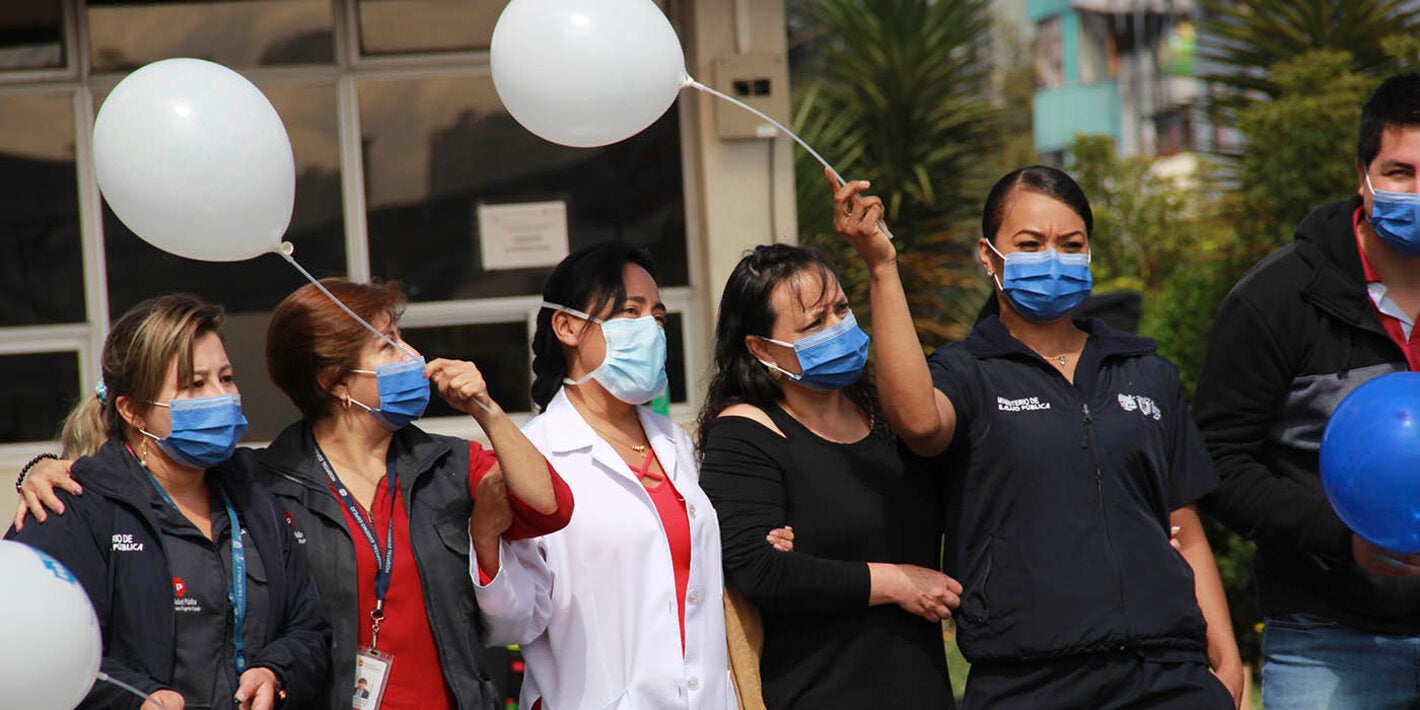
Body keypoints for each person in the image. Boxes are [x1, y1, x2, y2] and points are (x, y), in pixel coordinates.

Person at [17, 278, 574, 710]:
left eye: (227, 379)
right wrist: (41, 468)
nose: (411, 356)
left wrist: (485, 408)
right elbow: (39, 640)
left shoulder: (435, 466)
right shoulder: (267, 481)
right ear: (334, 380)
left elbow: (550, 506)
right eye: (194, 384)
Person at [832, 165, 1243, 708]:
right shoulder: (966, 372)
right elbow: (918, 422)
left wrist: (1228, 655)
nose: (1053, 258)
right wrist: (882, 267)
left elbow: (1182, 525)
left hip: (1166, 674)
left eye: (1071, 244)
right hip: (1028, 681)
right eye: (1030, 243)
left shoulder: (1145, 371)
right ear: (988, 256)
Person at [1193, 72, 1420, 708]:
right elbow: (1216, 460)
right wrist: (1341, 537)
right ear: (1363, 174)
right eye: (1399, 171)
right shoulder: (1276, 300)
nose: (1417, 190)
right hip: (1326, 638)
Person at [6, 294, 331, 710]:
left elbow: (308, 628)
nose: (222, 397)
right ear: (133, 411)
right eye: (195, 385)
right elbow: (28, 647)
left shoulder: (254, 494)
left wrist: (276, 671)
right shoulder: (72, 508)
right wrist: (132, 698)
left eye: (226, 378)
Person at [695, 243, 961, 709]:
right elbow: (761, 572)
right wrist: (896, 583)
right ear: (759, 348)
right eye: (815, 324)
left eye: (841, 309)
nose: (838, 328)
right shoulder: (745, 431)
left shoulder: (888, 416)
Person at [471, 241, 735, 710]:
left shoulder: (674, 442)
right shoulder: (536, 455)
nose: (651, 330)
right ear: (567, 326)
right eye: (629, 312)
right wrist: (487, 541)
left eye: (657, 315)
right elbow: (515, 622)